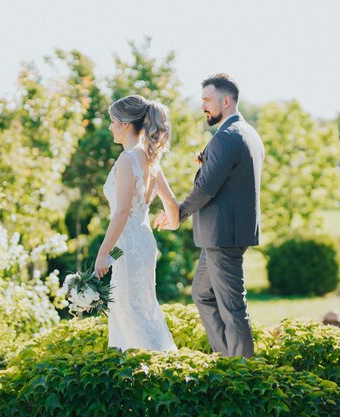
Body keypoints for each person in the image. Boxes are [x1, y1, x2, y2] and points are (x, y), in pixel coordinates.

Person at [155, 73, 265, 358]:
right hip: (222, 234)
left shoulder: (227, 137)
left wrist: (177, 213)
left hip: (223, 236)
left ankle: (245, 374)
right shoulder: (247, 133)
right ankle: (226, 358)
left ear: (226, 101)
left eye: (207, 100)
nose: (202, 106)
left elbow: (205, 188)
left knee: (232, 308)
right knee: (202, 294)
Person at [94, 94, 178, 352]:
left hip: (126, 244)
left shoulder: (127, 159)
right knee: (139, 306)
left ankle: (148, 366)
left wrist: (102, 254)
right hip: (140, 243)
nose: (110, 127)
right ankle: (156, 361)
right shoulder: (151, 159)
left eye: (112, 121)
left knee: (130, 308)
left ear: (126, 124)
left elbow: (121, 213)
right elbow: (173, 206)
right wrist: (172, 222)